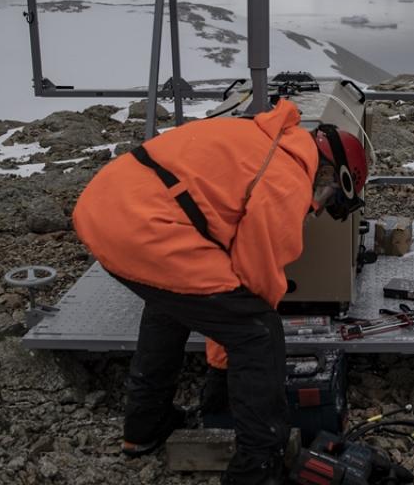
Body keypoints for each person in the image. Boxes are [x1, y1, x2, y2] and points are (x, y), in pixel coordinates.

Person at [71, 98, 367, 485]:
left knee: (171, 302)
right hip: (145, 227)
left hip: (105, 211)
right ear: (329, 172)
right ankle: (257, 467)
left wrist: (222, 346)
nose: (319, 207)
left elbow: (219, 268)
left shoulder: (265, 138)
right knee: (258, 333)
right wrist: (224, 365)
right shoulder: (289, 179)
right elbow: (253, 282)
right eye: (330, 197)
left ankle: (145, 427)